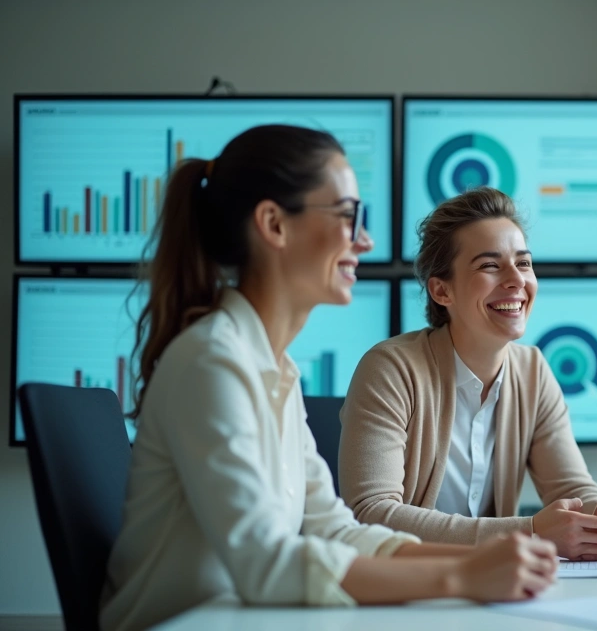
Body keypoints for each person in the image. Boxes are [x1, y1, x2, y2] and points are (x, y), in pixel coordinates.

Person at [101, 126, 556, 631]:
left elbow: (335, 529)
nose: (365, 240)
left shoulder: (275, 369)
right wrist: (460, 577)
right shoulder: (211, 362)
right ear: (274, 224)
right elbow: (265, 565)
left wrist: (469, 565)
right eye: (346, 217)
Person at [339, 187, 597, 560]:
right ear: (441, 290)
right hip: (407, 590)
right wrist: (529, 532)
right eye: (489, 265)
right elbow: (370, 515)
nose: (516, 280)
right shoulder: (390, 369)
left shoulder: (533, 372)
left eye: (524, 263)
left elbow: (572, 488)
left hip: (490, 588)